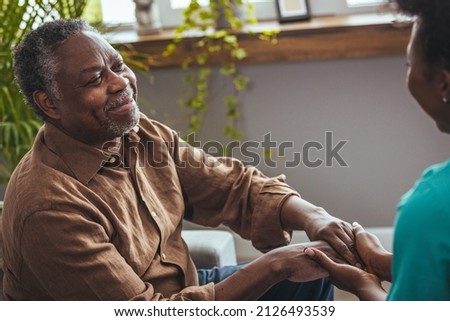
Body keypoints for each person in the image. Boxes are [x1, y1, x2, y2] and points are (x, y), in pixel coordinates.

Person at [1, 18, 358, 300]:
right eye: (95, 78)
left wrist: (315, 217)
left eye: (118, 65)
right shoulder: (49, 206)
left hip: (185, 291)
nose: (119, 82)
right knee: (286, 270)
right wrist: (274, 266)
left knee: (311, 275)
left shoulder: (140, 136)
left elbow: (233, 187)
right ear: (50, 103)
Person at [305, 0, 450, 301]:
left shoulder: (431, 208)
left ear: (444, 83)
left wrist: (364, 286)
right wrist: (382, 261)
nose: (408, 74)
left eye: (409, 64)